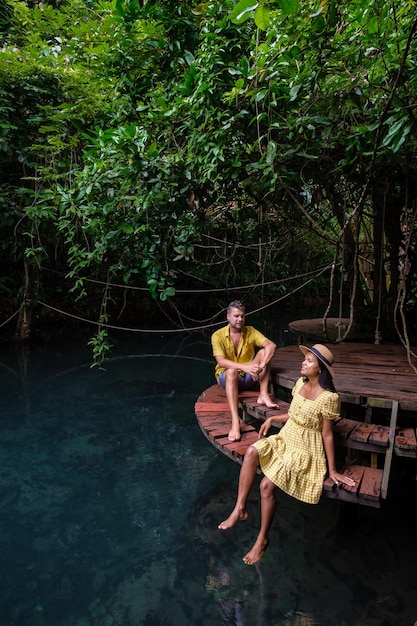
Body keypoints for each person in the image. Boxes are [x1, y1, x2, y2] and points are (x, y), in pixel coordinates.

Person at [218, 343, 356, 565]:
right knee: (252, 451)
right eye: (305, 359)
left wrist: (333, 470)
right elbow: (293, 415)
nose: (304, 362)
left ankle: (262, 539)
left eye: (309, 361)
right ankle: (239, 508)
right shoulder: (300, 384)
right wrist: (272, 418)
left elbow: (327, 434)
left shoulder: (329, 398)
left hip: (306, 447)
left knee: (265, 486)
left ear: (319, 369)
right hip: (287, 436)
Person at [211, 300, 278, 442]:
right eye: (236, 316)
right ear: (228, 317)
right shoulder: (217, 335)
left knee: (265, 352)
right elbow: (221, 361)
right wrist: (245, 367)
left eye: (242, 316)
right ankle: (236, 422)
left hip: (249, 377)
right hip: (227, 378)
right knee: (231, 372)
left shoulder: (251, 331)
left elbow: (271, 345)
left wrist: (262, 365)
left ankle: (263, 394)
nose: (240, 319)